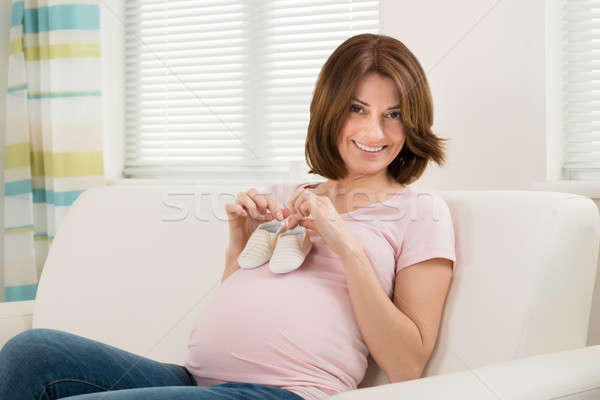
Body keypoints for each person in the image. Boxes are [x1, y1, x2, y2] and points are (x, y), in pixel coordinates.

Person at [0, 33, 455, 400]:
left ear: (413, 122)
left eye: (393, 114)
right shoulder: (286, 195)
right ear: (330, 109)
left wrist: (348, 246)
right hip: (194, 382)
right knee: (30, 353)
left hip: (286, 394)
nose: (375, 131)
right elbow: (245, 300)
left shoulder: (418, 212)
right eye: (358, 109)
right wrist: (239, 243)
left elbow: (407, 364)